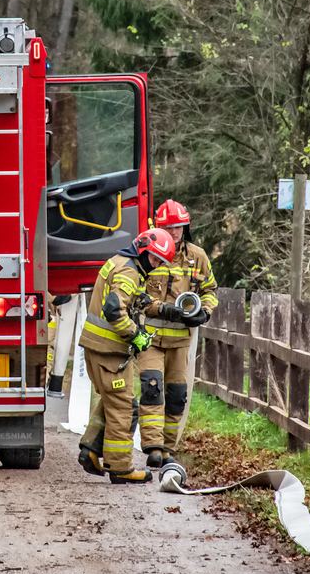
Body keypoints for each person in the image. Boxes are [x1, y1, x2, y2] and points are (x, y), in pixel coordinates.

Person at [76, 227, 177, 484]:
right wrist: (135, 335)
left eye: (160, 263)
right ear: (143, 250)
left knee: (112, 401)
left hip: (98, 348)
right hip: (107, 351)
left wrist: (166, 310)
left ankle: (91, 449)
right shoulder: (130, 271)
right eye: (154, 259)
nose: (155, 267)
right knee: (124, 407)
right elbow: (113, 308)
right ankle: (120, 468)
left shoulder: (121, 262)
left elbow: (135, 299)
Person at [137, 200, 218, 468]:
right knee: (152, 390)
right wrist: (163, 310)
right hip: (150, 339)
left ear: (186, 227)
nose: (173, 232)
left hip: (181, 341)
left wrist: (204, 312)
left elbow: (210, 290)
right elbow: (137, 295)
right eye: (168, 227)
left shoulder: (198, 257)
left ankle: (168, 448)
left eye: (178, 227)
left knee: (176, 395)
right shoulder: (150, 254)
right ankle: (153, 448)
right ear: (158, 227)